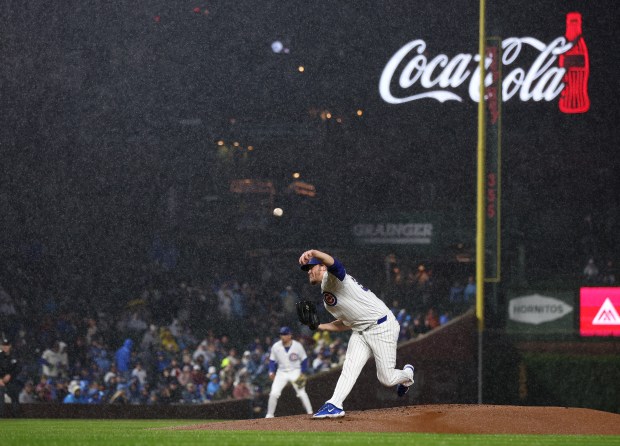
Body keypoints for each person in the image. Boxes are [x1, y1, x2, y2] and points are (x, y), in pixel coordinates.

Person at [299, 249, 414, 419]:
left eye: (311, 267)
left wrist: (315, 252)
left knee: (387, 379)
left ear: (322, 267)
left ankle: (407, 375)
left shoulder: (331, 278)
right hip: (360, 330)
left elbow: (336, 264)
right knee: (349, 368)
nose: (309, 271)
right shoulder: (327, 292)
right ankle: (334, 404)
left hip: (382, 327)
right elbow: (346, 323)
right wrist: (319, 326)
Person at [264, 326, 313, 418]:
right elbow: (272, 361)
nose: (283, 336)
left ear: (290, 335)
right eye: (281, 334)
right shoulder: (276, 346)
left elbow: (304, 360)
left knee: (301, 392)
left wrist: (302, 372)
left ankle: (310, 412)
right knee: (274, 393)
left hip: (296, 371)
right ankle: (269, 414)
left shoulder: (297, 346)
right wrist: (271, 371)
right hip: (281, 372)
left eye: (285, 334)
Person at [0, 338, 22, 417]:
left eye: (7, 345)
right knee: (0, 398)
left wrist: (10, 375)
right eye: (4, 345)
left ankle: (16, 416)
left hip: (12, 380)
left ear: (10, 346)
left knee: (15, 397)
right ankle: (1, 416)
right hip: (1, 381)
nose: (5, 347)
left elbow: (18, 368)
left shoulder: (15, 355)